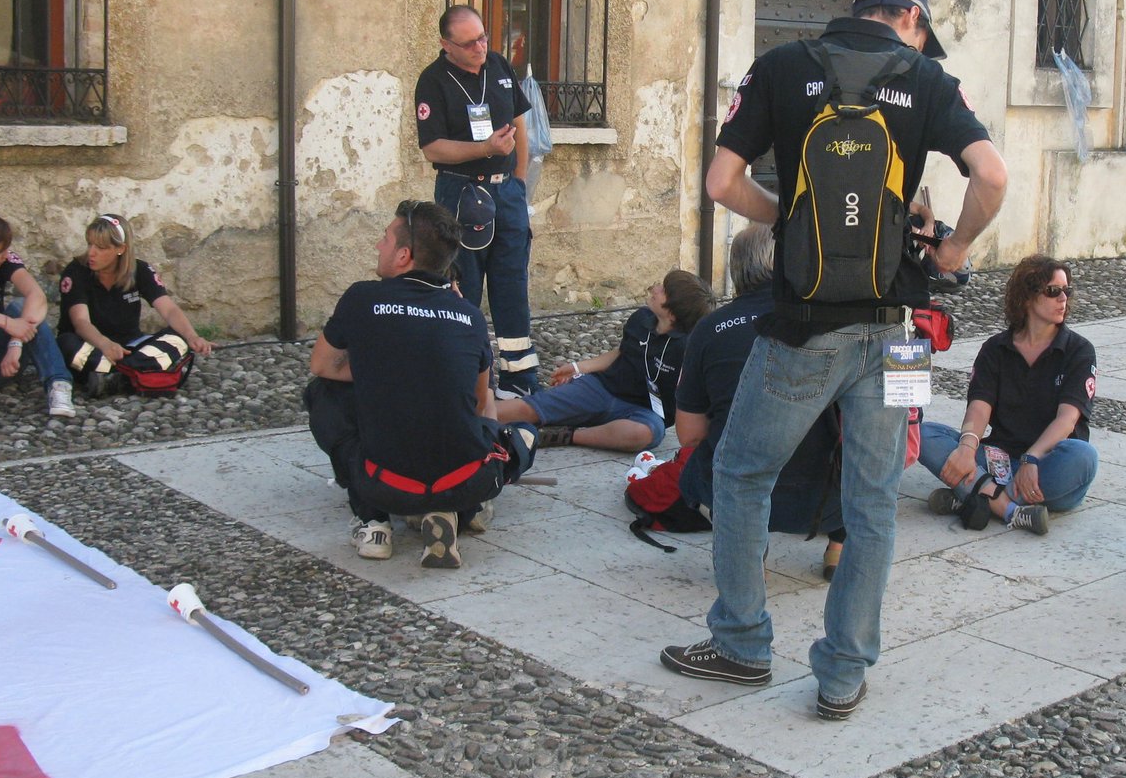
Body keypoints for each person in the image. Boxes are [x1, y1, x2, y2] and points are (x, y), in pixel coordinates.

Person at [661, 0, 1007, 721]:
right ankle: (844, 672)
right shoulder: (928, 79)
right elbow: (992, 174)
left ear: (856, 10)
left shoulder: (784, 65)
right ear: (911, 18)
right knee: (875, 498)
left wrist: (790, 218)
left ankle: (743, 644)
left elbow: (724, 181)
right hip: (898, 331)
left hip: (804, 326)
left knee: (741, 470)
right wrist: (956, 250)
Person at [306, 200, 529, 569]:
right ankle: (459, 508)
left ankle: (373, 522)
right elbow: (479, 403)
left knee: (322, 394)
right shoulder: (469, 316)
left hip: (386, 484)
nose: (378, 246)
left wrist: (384, 367)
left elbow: (322, 365)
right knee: (517, 434)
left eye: (384, 239)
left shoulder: (363, 298)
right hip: (464, 480)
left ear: (404, 255)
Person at [674, 224, 846, 578]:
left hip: (740, 489)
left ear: (736, 269)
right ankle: (840, 548)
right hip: (823, 500)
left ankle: (749, 544)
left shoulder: (708, 329)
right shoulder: (833, 324)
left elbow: (688, 434)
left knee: (695, 468)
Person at [920, 255, 1098, 535]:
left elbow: (1067, 420)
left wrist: (1032, 459)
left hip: (1048, 465)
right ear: (1026, 296)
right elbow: (980, 407)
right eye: (1053, 291)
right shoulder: (995, 349)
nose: (1062, 298)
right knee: (923, 435)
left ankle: (973, 495)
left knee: (1084, 456)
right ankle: (1009, 509)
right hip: (998, 457)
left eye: (1066, 291)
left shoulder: (1079, 350)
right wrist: (967, 449)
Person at [416, 4, 538, 397]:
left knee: (512, 284)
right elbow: (433, 148)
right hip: (461, 192)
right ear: (446, 44)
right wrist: (483, 148)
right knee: (462, 286)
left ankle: (519, 382)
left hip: (507, 194)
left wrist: (518, 181)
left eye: (483, 38)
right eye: (469, 43)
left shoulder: (499, 66)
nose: (480, 48)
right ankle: (463, 379)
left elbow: (520, 125)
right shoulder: (433, 81)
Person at [497, 269, 714, 452]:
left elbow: (695, 394)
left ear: (673, 315)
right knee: (534, 407)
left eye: (664, 291)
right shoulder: (641, 319)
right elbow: (621, 352)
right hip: (601, 388)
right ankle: (471, 417)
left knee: (646, 434)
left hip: (643, 411)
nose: (656, 288)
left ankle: (570, 435)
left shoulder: (686, 347)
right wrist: (577, 367)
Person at [56, 213, 213, 397]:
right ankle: (142, 375)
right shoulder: (76, 271)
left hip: (130, 346)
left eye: (100, 247)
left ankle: (117, 377)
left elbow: (169, 309)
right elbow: (80, 322)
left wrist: (192, 336)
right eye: (90, 244)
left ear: (120, 249)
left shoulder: (141, 270)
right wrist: (105, 344)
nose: (91, 252)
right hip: (94, 345)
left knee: (178, 339)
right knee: (66, 344)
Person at [0, 210, 75, 427]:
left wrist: (16, 342)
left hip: (1, 360)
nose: (5, 255)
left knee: (21, 307)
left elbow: (36, 295)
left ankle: (58, 383)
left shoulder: (4, 262)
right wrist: (8, 323)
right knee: (15, 316)